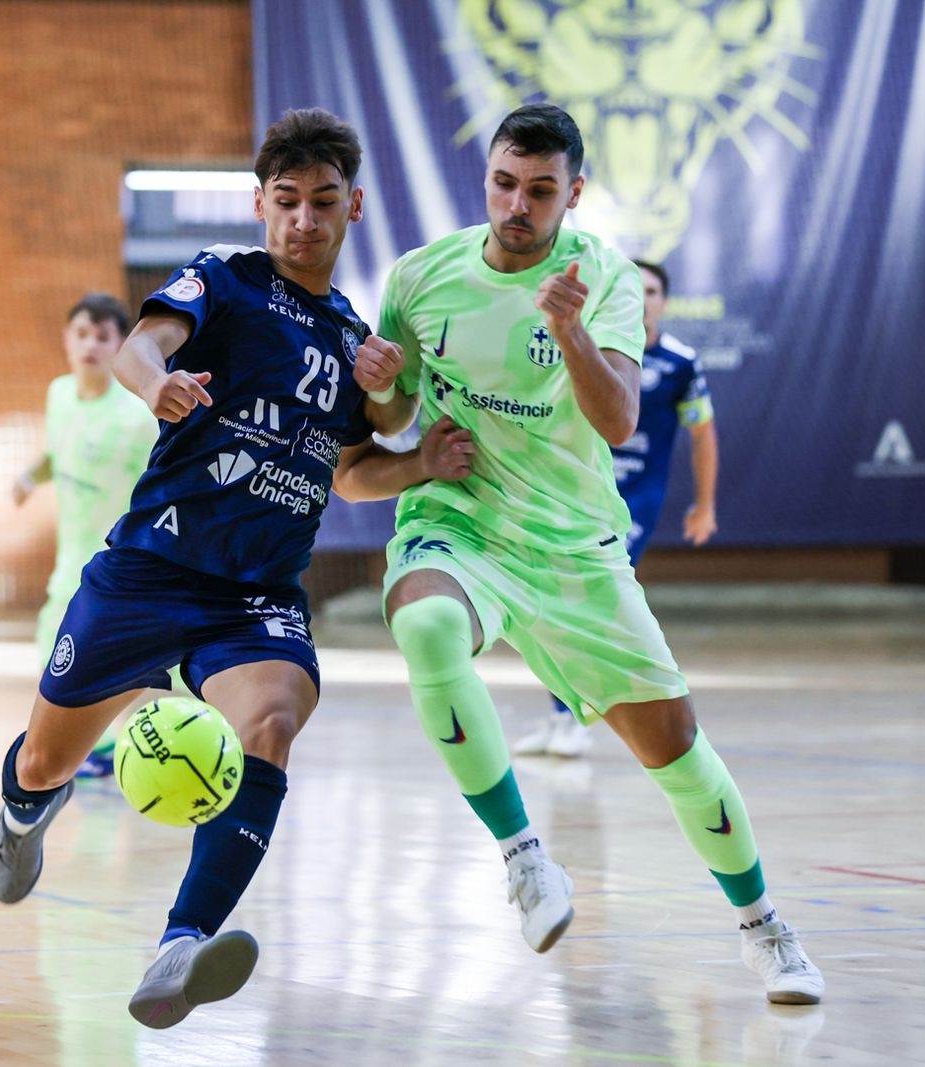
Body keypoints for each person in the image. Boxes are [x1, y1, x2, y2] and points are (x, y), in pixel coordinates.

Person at [333, 104, 822, 1004]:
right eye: (504, 183)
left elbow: (620, 418)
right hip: (463, 520)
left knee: (676, 748)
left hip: (574, 544)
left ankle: (765, 928)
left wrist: (565, 331)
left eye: (541, 190)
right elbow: (392, 418)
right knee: (428, 627)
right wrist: (379, 395)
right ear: (486, 178)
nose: (518, 204)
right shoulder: (422, 275)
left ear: (575, 194)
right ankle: (526, 860)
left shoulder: (604, 278)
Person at [0, 108, 415, 1028]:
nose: (305, 219)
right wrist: (159, 384)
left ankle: (179, 945)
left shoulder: (351, 337)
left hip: (256, 595)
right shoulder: (224, 277)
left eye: (324, 202)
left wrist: (427, 462)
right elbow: (144, 347)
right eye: (288, 200)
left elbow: (350, 470)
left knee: (271, 720)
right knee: (43, 758)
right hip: (146, 572)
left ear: (355, 208)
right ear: (261, 203)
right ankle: (24, 809)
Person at [513, 258, 719, 759]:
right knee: (554, 598)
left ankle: (574, 721)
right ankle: (563, 718)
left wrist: (704, 505)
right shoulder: (597, 351)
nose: (645, 299)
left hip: (633, 505)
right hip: (578, 493)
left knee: (585, 599)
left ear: (664, 302)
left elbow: (703, 434)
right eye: (638, 290)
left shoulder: (680, 363)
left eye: (654, 291)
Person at [12, 293, 159, 777]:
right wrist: (31, 478)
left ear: (121, 345)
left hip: (118, 563)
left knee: (114, 664)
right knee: (49, 651)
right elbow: (60, 451)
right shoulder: (58, 394)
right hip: (68, 560)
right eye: (82, 334)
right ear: (67, 340)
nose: (91, 345)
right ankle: (87, 748)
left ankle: (108, 748)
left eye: (103, 336)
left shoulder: (138, 415)